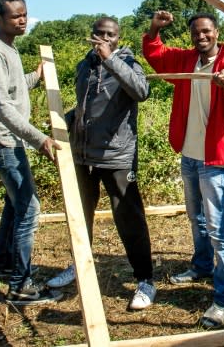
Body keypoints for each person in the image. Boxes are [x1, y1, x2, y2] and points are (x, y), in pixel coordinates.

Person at [142, 10, 224, 328]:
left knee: (219, 230)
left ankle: (222, 300)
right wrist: (154, 29)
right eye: (196, 32)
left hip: (214, 158)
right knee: (196, 217)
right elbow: (157, 55)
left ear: (217, 33)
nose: (201, 36)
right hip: (189, 154)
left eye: (206, 31)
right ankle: (202, 265)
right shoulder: (186, 60)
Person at [46, 17, 156, 310]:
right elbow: (84, 106)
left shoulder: (129, 64)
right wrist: (62, 124)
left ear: (118, 39)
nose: (104, 39)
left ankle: (145, 279)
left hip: (116, 155)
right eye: (100, 34)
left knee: (128, 216)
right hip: (83, 154)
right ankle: (78, 265)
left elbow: (141, 92)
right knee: (80, 213)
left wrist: (111, 61)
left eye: (111, 35)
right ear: (91, 35)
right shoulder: (84, 65)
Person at [0, 0, 62, 304]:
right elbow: (2, 105)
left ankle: (3, 263)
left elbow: (11, 89)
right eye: (15, 16)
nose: (23, 20)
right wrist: (39, 139)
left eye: (24, 14)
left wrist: (35, 76)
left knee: (15, 202)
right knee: (28, 207)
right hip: (3, 139)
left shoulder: (8, 49)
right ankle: (20, 285)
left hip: (8, 137)